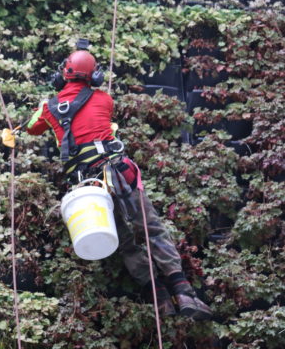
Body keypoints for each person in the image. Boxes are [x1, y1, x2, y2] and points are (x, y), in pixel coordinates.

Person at [23, 47, 212, 320]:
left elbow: (31, 127)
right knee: (152, 230)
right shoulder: (103, 98)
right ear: (95, 77)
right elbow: (101, 119)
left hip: (88, 189)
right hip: (119, 173)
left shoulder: (48, 108)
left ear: (63, 74)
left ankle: (160, 301)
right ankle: (183, 292)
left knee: (125, 243)